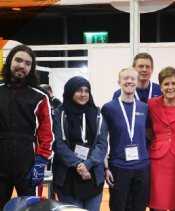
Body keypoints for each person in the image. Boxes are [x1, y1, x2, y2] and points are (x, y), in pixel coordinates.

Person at [0, 45, 54, 210]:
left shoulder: (40, 97)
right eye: (18, 60)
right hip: (0, 160)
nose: (22, 66)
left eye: (27, 63)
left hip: (28, 164)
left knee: (32, 208)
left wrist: (40, 163)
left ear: (31, 68)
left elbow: (47, 135)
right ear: (9, 61)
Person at [52, 76, 108, 211]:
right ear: (70, 92)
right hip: (68, 177)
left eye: (86, 90)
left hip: (92, 176)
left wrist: (88, 164)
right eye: (79, 90)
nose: (83, 94)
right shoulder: (58, 114)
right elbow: (58, 143)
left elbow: (102, 144)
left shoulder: (97, 114)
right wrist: (79, 165)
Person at [102, 67, 150, 211]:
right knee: (118, 207)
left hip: (142, 167)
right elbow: (102, 140)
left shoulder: (144, 107)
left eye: (132, 79)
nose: (129, 81)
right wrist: (106, 167)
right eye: (125, 78)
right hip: (118, 167)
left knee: (139, 207)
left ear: (137, 82)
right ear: (119, 82)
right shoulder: (109, 108)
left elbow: (149, 134)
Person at [148, 66, 175, 211]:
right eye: (166, 84)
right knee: (157, 203)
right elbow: (145, 128)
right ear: (160, 86)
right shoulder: (151, 104)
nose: (170, 87)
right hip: (157, 159)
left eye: (174, 83)